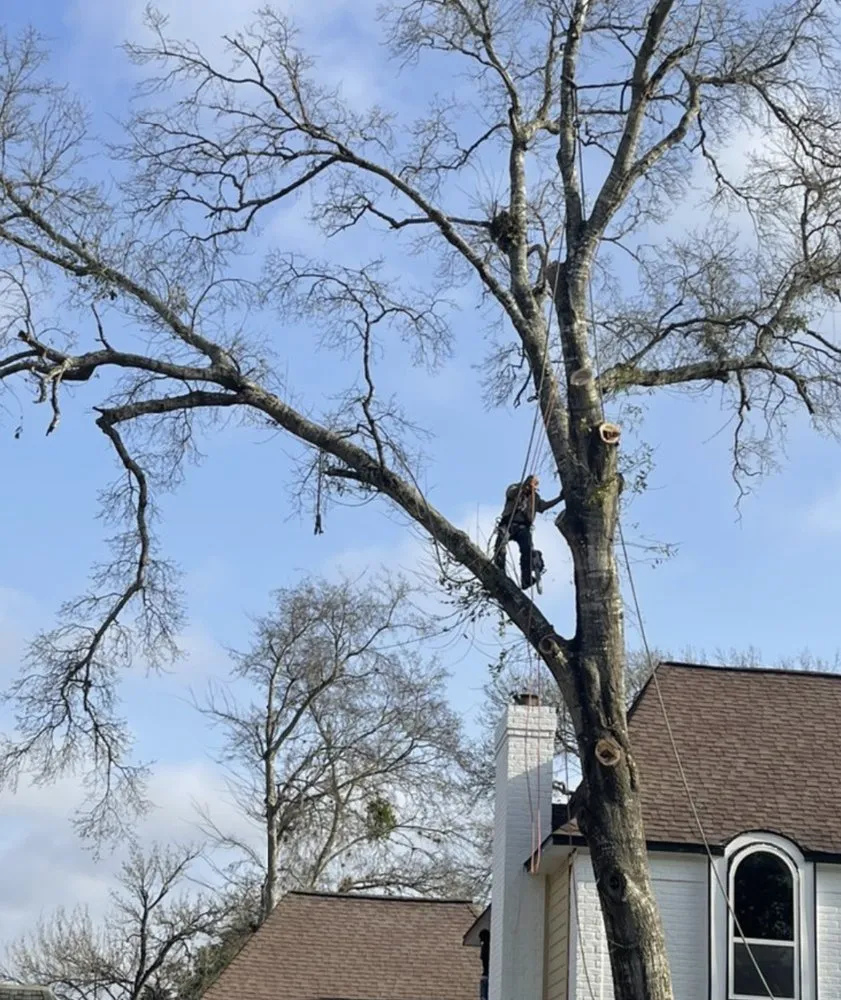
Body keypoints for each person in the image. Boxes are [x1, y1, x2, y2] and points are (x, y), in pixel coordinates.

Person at [494, 475, 563, 589]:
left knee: (527, 550)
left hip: (523, 527)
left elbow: (543, 506)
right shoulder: (515, 488)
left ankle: (526, 579)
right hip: (508, 524)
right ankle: (499, 571)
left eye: (535, 485)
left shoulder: (535, 497)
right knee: (501, 544)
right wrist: (524, 485)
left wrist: (560, 498)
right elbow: (511, 493)